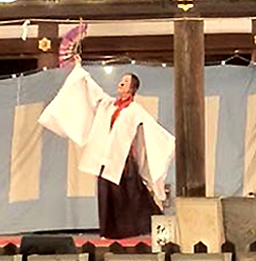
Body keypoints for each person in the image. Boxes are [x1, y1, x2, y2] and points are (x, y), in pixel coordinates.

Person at [39, 65, 174, 239]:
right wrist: (82, 73)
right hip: (104, 157)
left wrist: (168, 142)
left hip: (123, 158)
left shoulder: (134, 110)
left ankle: (145, 227)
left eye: (126, 82)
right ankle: (110, 231)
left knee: (132, 194)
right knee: (106, 194)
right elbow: (94, 92)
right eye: (122, 80)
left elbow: (152, 129)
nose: (121, 83)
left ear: (132, 89)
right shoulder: (108, 105)